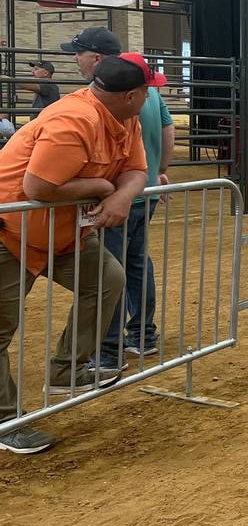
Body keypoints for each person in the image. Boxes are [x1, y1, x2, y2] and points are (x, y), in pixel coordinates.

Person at [0, 53, 162, 455]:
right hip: (9, 231)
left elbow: (136, 171)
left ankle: (67, 370)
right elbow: (38, 186)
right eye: (148, 91)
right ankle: (6, 420)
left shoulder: (126, 120)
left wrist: (122, 193)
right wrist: (102, 189)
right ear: (132, 94)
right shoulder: (73, 120)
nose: (151, 97)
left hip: (64, 233)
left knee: (108, 279)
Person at [85, 53, 175, 372]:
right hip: (143, 189)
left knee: (109, 270)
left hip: (115, 197)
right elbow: (168, 130)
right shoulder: (146, 98)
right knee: (136, 263)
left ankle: (108, 350)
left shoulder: (110, 101)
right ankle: (142, 334)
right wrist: (159, 170)